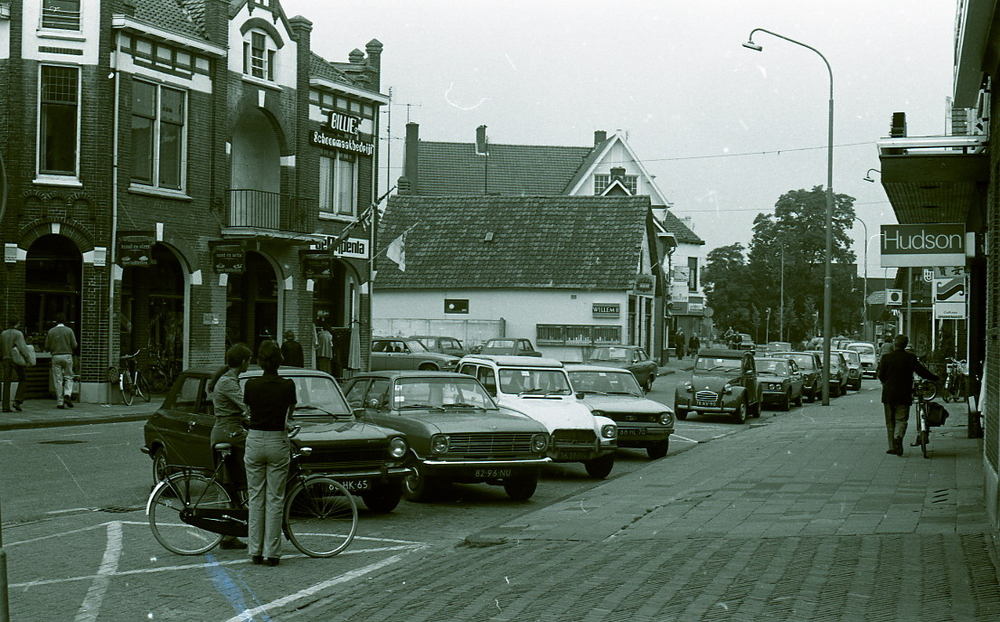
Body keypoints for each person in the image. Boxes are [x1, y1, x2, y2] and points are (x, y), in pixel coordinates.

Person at [243, 340, 296, 566]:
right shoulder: (287, 385)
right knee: (275, 498)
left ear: (260, 361)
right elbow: (289, 413)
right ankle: (272, 553)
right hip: (277, 440)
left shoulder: (251, 384)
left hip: (255, 439)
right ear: (279, 361)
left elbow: (248, 411)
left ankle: (255, 550)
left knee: (255, 497)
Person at [208, 343, 253, 550]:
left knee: (229, 484)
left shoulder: (229, 379)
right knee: (257, 457)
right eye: (248, 360)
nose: (249, 364)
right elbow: (245, 405)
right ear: (243, 362)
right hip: (229, 432)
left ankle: (228, 535)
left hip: (229, 429)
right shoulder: (227, 382)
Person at [878, 334, 938, 456]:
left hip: (889, 394)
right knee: (901, 419)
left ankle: (892, 447)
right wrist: (934, 378)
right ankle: (898, 437)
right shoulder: (910, 358)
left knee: (890, 421)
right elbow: (921, 371)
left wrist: (887, 383)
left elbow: (881, 375)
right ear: (905, 345)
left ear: (894, 344)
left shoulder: (886, 358)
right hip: (904, 393)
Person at [45, 315, 78, 409]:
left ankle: (60, 401)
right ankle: (67, 394)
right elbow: (74, 345)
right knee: (69, 377)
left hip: (56, 356)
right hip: (67, 355)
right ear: (65, 321)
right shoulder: (69, 331)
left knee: (58, 379)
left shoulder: (51, 331)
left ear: (56, 321)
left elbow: (47, 346)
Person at [1, 321, 33, 412]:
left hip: (5, 358)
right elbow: (22, 348)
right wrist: (28, 359)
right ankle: (18, 400)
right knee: (23, 378)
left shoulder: (3, 334)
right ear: (17, 324)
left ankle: (5, 406)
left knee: (6, 382)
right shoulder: (18, 334)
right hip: (15, 359)